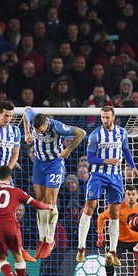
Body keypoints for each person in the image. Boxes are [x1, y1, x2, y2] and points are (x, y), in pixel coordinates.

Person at [77, 106, 138, 266]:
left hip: (115, 176)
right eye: (103, 117)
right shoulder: (95, 135)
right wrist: (107, 161)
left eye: (107, 117)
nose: (105, 120)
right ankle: (81, 247)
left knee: (115, 213)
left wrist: (133, 167)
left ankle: (112, 251)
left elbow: (126, 151)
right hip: (98, 175)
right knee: (89, 208)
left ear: (113, 117)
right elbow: (90, 158)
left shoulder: (122, 133)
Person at [22, 106, 86, 259]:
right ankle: (41, 239)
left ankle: (50, 240)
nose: (39, 132)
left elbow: (81, 133)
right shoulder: (33, 119)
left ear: (46, 124)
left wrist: (68, 149)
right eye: (36, 130)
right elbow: (25, 110)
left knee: (50, 202)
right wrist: (26, 133)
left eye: (41, 130)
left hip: (54, 165)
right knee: (39, 201)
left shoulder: (56, 126)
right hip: (38, 163)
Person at [97, 185, 138, 276]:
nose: (131, 197)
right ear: (125, 196)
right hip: (120, 241)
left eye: (133, 194)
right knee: (108, 259)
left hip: (137, 241)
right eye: (128, 194)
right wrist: (100, 235)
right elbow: (101, 217)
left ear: (137, 196)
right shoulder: (119, 208)